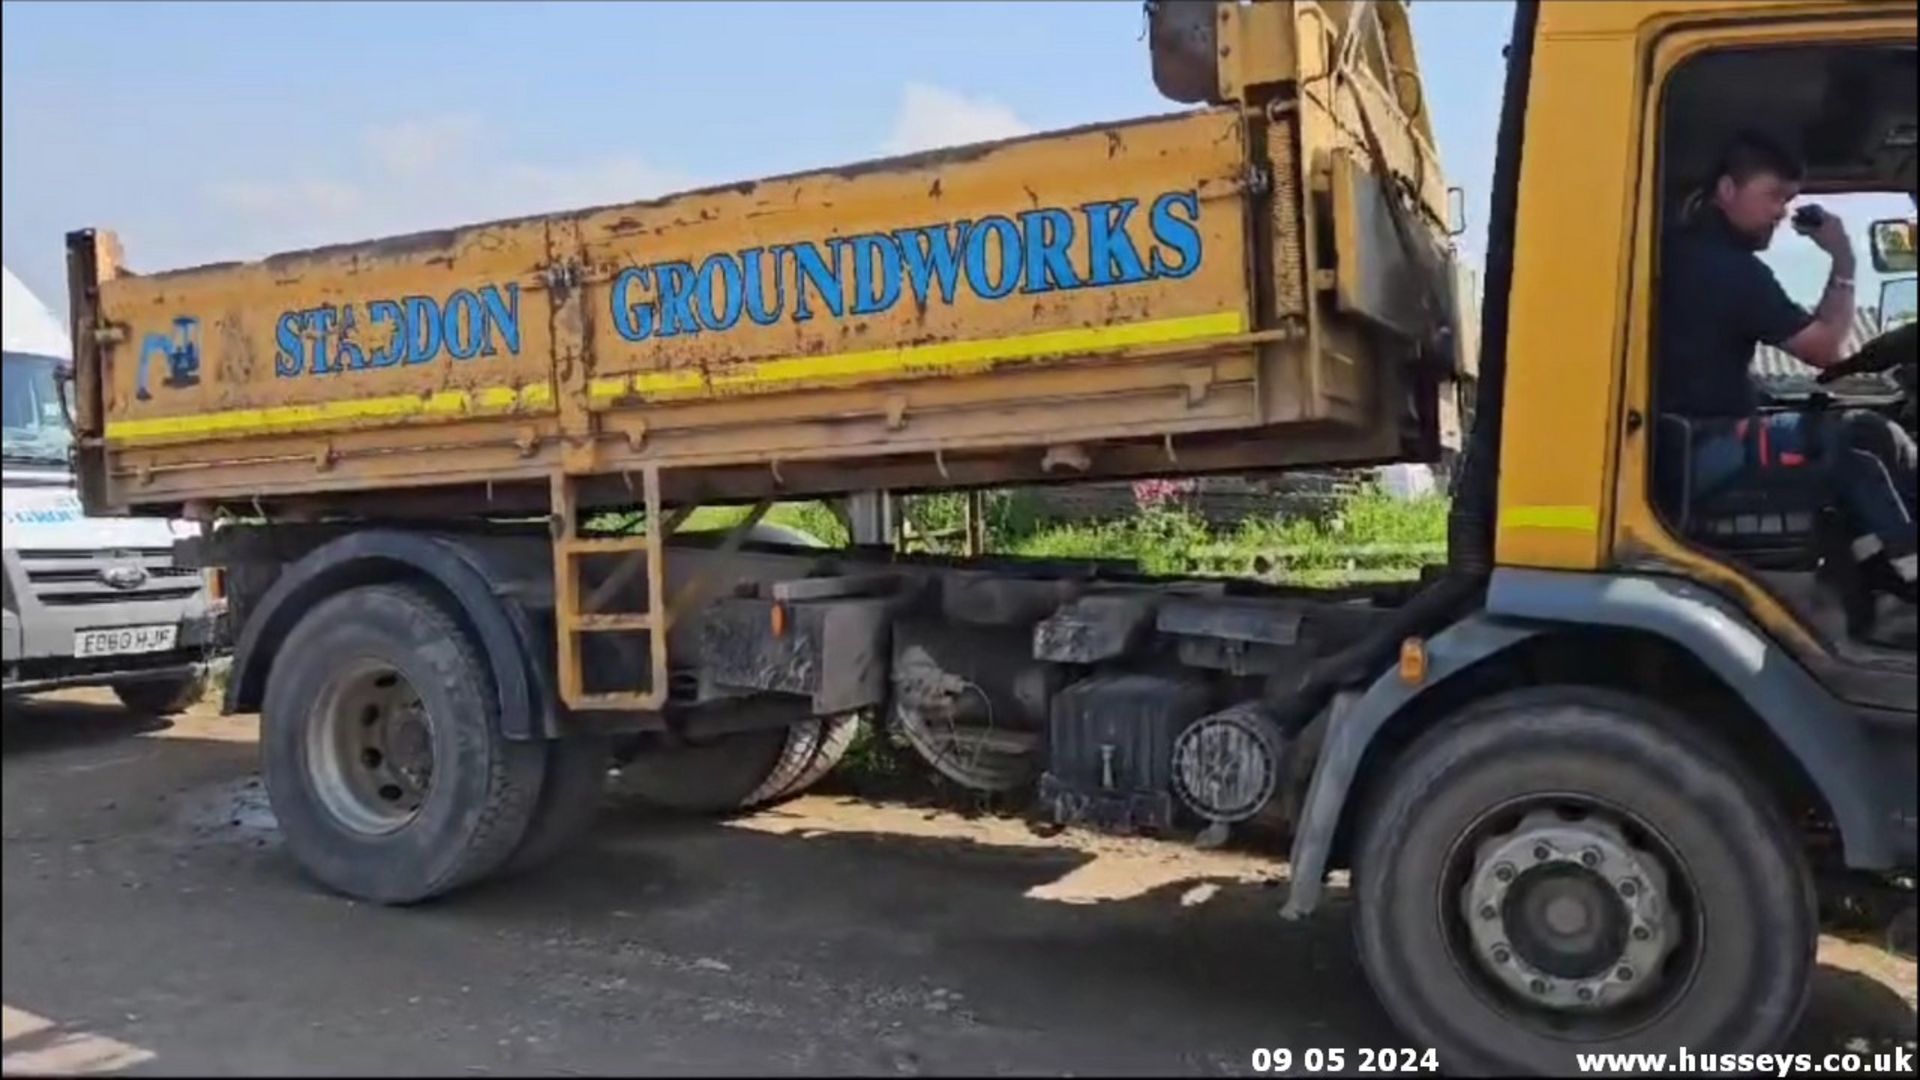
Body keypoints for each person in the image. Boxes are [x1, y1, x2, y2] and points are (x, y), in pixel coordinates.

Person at [1658, 130, 1916, 605]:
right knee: (1857, 444)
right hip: (1703, 448)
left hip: (1690, 439)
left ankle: (1879, 572)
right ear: (1727, 190)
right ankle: (1908, 578)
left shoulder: (1688, 252)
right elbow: (1824, 348)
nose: (1781, 212)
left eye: (1789, 199)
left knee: (1867, 436)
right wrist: (1842, 258)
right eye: (1773, 196)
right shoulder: (1729, 270)